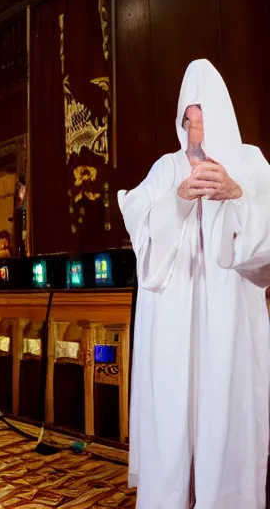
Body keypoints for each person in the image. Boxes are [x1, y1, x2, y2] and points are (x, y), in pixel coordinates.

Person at [118, 58, 270, 508]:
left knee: (225, 419)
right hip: (173, 330)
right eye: (188, 120)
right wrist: (179, 201)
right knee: (172, 415)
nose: (194, 132)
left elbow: (265, 244)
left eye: (202, 119)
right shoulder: (165, 169)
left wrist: (236, 195)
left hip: (229, 328)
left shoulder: (249, 162)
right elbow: (138, 225)